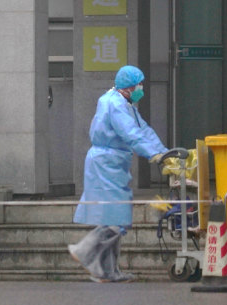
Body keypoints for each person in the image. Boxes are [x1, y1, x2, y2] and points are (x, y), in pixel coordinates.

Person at [68, 65, 168, 283]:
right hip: (106, 163)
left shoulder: (123, 102)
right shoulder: (115, 104)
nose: (141, 87)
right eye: (139, 84)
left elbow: (144, 130)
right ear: (131, 86)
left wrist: (162, 152)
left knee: (114, 217)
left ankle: (106, 272)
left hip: (113, 162)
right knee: (115, 217)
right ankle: (83, 250)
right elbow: (132, 134)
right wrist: (153, 154)